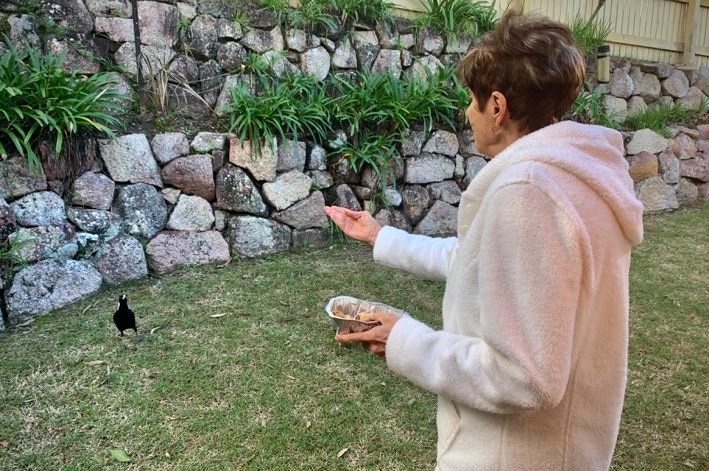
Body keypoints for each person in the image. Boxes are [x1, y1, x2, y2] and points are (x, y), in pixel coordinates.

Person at [324, 11, 644, 471]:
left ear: (497, 107)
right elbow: (482, 263)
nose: (467, 113)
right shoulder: (579, 177)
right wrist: (380, 236)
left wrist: (406, 340)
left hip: (512, 455)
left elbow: (526, 377)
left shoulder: (529, 191)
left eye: (472, 101)